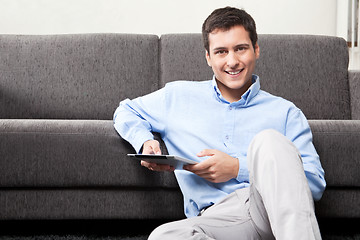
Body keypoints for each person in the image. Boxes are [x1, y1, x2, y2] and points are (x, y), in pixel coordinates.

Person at [113, 6, 326, 240]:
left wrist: (238, 168)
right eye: (221, 52)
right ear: (208, 57)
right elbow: (126, 110)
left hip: (270, 212)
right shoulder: (177, 97)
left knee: (269, 141)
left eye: (241, 49)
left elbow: (314, 185)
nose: (232, 61)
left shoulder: (286, 112)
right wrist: (144, 141)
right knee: (163, 236)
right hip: (214, 220)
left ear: (256, 49)